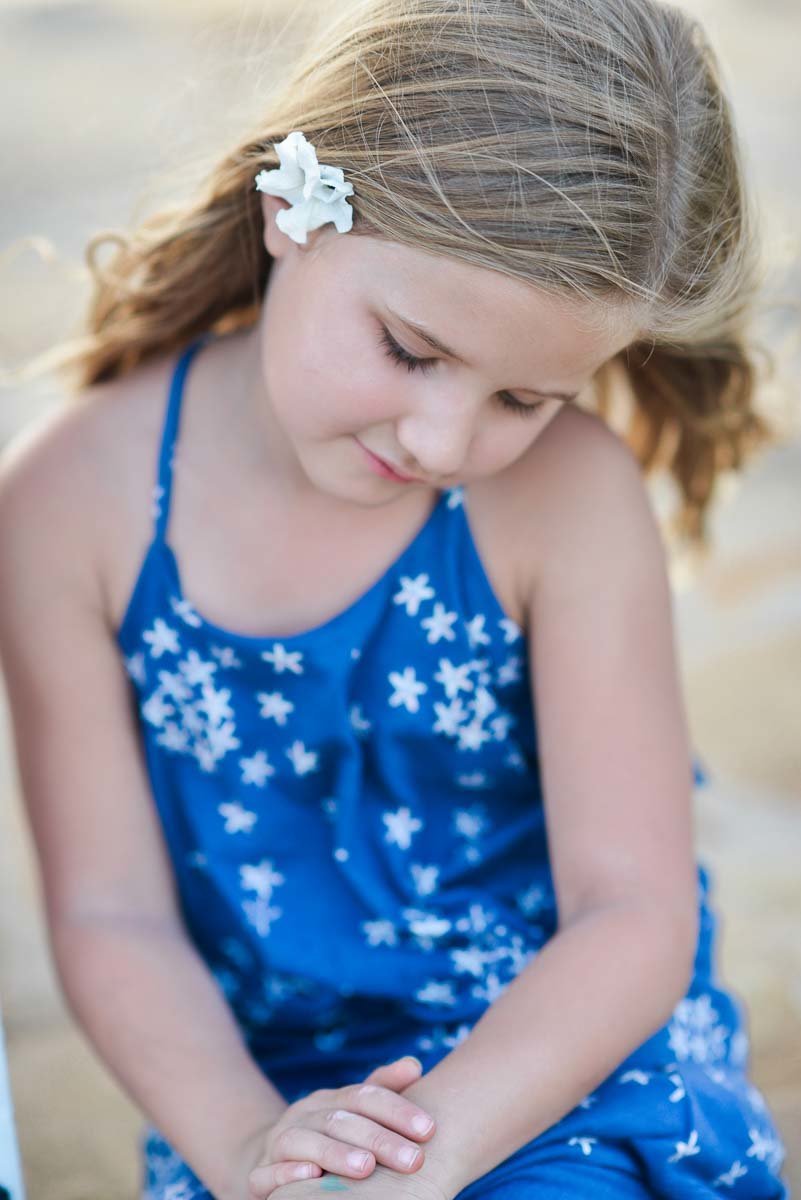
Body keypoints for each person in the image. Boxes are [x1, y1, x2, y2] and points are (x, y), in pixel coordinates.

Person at [0, 0, 790, 1197]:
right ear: (292, 209)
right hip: (261, 1098)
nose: (441, 438)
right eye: (411, 349)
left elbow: (630, 914)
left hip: (556, 1073)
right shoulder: (71, 505)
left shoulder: (570, 500)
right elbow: (114, 919)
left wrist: (438, 1155)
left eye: (522, 400)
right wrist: (253, 1147)